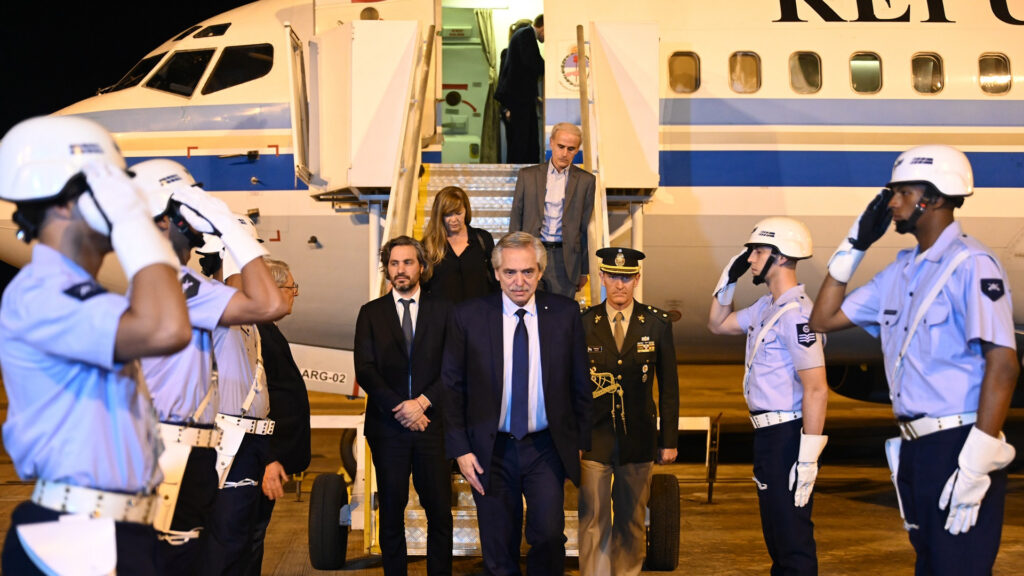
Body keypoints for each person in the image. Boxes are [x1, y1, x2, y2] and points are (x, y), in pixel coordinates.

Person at [809, 145, 1017, 575]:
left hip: (959, 445)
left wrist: (977, 461)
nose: (892, 203)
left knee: (958, 566)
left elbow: (1003, 364)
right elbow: (823, 319)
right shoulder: (900, 272)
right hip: (914, 448)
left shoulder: (972, 265)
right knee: (931, 565)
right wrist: (854, 246)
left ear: (936, 198)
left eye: (904, 192)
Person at [0, 115, 191, 575]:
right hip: (76, 541)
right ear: (68, 204)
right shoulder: (43, 292)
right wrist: (133, 224)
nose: (130, 199)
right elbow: (167, 329)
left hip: (110, 532)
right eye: (111, 186)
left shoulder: (76, 293)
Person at [131, 158, 287, 574]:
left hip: (188, 450)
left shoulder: (170, 282)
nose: (198, 214)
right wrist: (232, 230)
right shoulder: (175, 284)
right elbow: (270, 303)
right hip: (173, 452)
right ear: (164, 218)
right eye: (187, 205)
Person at [442, 231, 592, 576]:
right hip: (490, 451)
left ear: (540, 272)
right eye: (510, 272)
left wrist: (580, 441)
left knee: (549, 535)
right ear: (496, 273)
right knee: (498, 548)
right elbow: (452, 388)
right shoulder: (468, 316)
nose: (519, 281)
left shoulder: (565, 314)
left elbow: (580, 381)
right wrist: (461, 449)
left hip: (546, 448)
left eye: (527, 271)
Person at [708, 217, 829, 576]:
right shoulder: (766, 307)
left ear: (782, 256)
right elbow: (717, 324)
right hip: (768, 436)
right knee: (776, 535)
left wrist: (807, 460)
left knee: (791, 538)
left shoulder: (798, 316)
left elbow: (817, 388)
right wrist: (727, 280)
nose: (750, 259)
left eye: (758, 251)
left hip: (787, 437)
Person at [354, 236, 453, 575]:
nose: (400, 270)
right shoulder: (370, 313)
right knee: (391, 511)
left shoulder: (444, 310)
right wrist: (402, 408)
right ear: (387, 269)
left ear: (421, 267)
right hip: (388, 428)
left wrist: (422, 404)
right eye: (394, 263)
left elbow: (453, 366)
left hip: (433, 426)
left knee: (439, 512)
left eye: (407, 262)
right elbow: (365, 369)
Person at [578, 247, 679, 576]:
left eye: (626, 278)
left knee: (631, 522)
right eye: (612, 277)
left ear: (636, 279)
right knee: (592, 519)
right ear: (602, 278)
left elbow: (669, 388)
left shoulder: (656, 323)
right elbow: (572, 385)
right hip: (594, 439)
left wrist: (668, 440)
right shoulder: (584, 323)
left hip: (638, 439)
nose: (619, 285)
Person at [192, 223, 276, 576]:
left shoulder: (244, 315)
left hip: (252, 440)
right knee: (226, 544)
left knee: (244, 543)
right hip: (227, 443)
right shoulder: (212, 303)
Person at [246, 258, 311, 576]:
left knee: (253, 535)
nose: (294, 293)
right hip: (259, 459)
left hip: (266, 457)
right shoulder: (256, 334)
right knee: (248, 537)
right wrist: (268, 458)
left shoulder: (266, 330)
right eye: (290, 287)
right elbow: (253, 404)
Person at [509, 123, 596, 299]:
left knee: (561, 311)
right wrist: (512, 256)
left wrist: (583, 270)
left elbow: (584, 228)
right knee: (529, 308)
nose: (564, 153)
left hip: (565, 259)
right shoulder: (527, 176)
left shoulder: (586, 181)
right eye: (561, 146)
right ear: (551, 143)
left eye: (571, 149)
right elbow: (516, 217)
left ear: (577, 150)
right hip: (531, 252)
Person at [421, 186, 497, 304]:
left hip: (480, 312)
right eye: (448, 214)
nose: (454, 219)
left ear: (466, 210)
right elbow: (422, 286)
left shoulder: (483, 239)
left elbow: (497, 278)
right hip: (443, 314)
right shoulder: (428, 245)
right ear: (439, 215)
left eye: (458, 213)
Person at [494, 14, 545, 164]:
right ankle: (521, 172)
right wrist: (548, 67)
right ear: (543, 27)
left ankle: (524, 171)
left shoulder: (521, 36)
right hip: (519, 99)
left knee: (524, 141)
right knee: (522, 142)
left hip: (520, 99)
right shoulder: (526, 34)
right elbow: (532, 63)